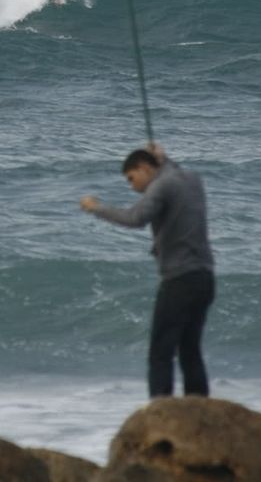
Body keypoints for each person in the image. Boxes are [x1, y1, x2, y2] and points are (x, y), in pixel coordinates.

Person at [79, 144, 215, 398]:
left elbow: (136, 218)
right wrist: (166, 160)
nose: (133, 186)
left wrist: (95, 207)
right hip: (204, 277)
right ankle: (199, 409)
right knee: (190, 350)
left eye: (132, 178)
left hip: (179, 279)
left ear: (144, 168)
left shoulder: (161, 186)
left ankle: (160, 412)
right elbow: (175, 173)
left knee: (160, 352)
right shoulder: (191, 179)